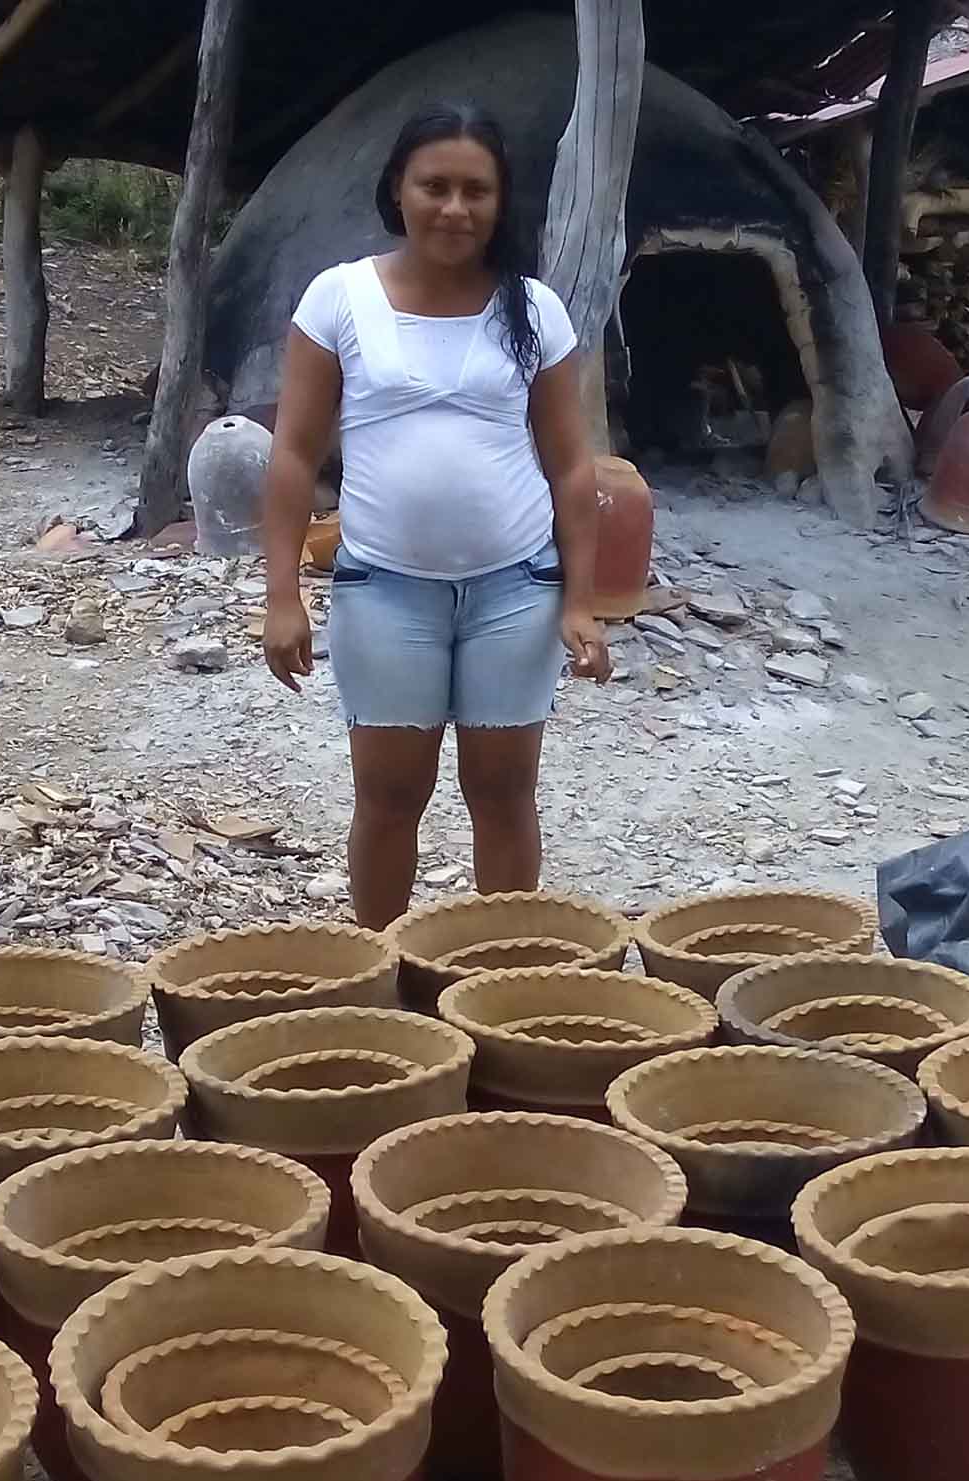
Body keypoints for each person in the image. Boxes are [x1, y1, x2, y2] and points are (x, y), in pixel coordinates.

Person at [259, 104, 612, 931]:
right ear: (398, 190)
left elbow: (570, 464)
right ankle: (381, 978)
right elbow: (292, 457)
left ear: (500, 201)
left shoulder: (533, 308)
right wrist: (281, 595)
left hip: (515, 591)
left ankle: (502, 978)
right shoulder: (339, 299)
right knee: (387, 798)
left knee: (502, 794)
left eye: (476, 191)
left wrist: (580, 600)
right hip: (384, 592)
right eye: (435, 187)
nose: (455, 208)